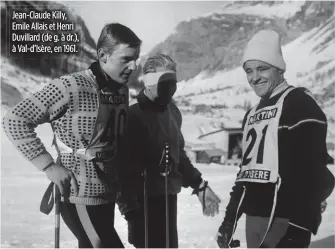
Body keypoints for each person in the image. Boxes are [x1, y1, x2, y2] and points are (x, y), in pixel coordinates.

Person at [2, 23, 141, 248]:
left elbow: (116, 145)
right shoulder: (70, 87)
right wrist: (49, 166)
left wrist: (128, 199)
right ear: (103, 56)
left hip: (106, 194)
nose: (134, 66)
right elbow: (15, 120)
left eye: (136, 58)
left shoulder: (120, 91)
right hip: (77, 194)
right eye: (126, 59)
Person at [216, 29, 335, 248]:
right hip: (255, 220)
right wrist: (229, 220)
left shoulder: (300, 104)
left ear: (279, 69)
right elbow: (245, 176)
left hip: (287, 222)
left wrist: (297, 229)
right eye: (249, 71)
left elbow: (313, 174)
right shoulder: (251, 114)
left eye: (262, 69)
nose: (254, 77)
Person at [116, 54, 221, 248]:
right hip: (142, 204)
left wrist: (200, 186)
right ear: (148, 81)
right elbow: (121, 169)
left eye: (173, 82)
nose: (171, 88)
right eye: (165, 82)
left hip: (168, 199)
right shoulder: (133, 116)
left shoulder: (172, 112)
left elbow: (178, 156)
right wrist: (130, 210)